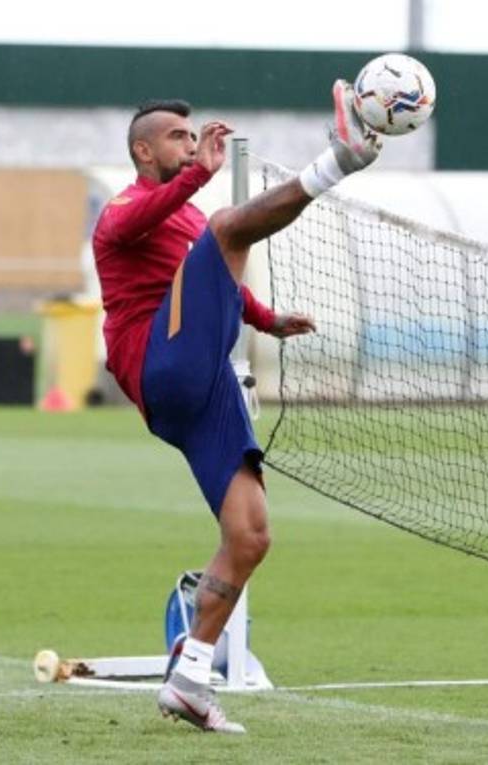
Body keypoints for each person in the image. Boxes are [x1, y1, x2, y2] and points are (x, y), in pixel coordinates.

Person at [92, 84, 380, 733]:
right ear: (143, 149)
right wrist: (198, 177)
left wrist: (268, 319)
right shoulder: (123, 211)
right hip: (160, 370)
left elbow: (220, 283)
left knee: (250, 534)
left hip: (206, 380)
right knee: (228, 224)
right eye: (176, 138)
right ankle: (342, 157)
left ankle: (190, 677)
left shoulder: (189, 218)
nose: (190, 147)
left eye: (193, 138)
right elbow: (171, 233)